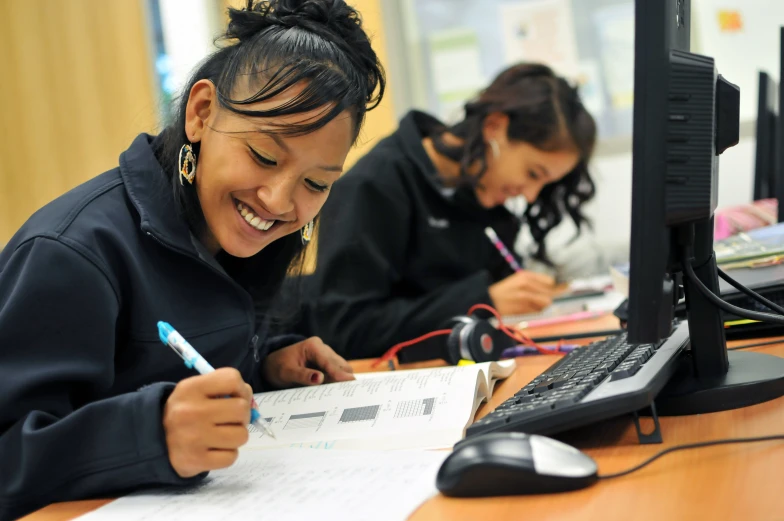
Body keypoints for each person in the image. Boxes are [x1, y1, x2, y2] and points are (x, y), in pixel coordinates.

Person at [0, 0, 384, 518]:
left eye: (316, 183)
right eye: (264, 157)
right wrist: (151, 434)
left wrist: (267, 360)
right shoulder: (72, 253)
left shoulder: (225, 232)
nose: (277, 201)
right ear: (202, 114)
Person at [297, 63, 597, 362]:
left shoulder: (479, 188)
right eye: (533, 173)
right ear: (494, 127)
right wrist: (483, 300)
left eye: (545, 185)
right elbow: (346, 329)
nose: (530, 195)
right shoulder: (373, 186)